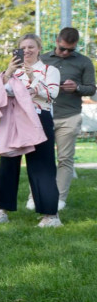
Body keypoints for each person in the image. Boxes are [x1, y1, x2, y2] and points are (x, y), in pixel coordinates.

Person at [0, 34, 61, 228]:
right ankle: (1, 211)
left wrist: (32, 77)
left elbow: (52, 94)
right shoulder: (12, 72)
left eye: (31, 47)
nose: (27, 50)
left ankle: (50, 215)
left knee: (42, 167)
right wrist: (7, 73)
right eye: (23, 47)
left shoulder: (48, 70)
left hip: (39, 118)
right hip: (13, 120)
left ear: (39, 48)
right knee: (8, 164)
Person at [40, 27, 95, 210]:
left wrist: (77, 87)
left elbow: (91, 89)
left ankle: (60, 199)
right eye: (62, 48)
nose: (65, 53)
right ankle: (36, 196)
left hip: (69, 116)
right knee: (41, 158)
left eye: (70, 50)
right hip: (44, 114)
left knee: (65, 159)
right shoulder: (43, 60)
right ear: (57, 41)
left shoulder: (84, 62)